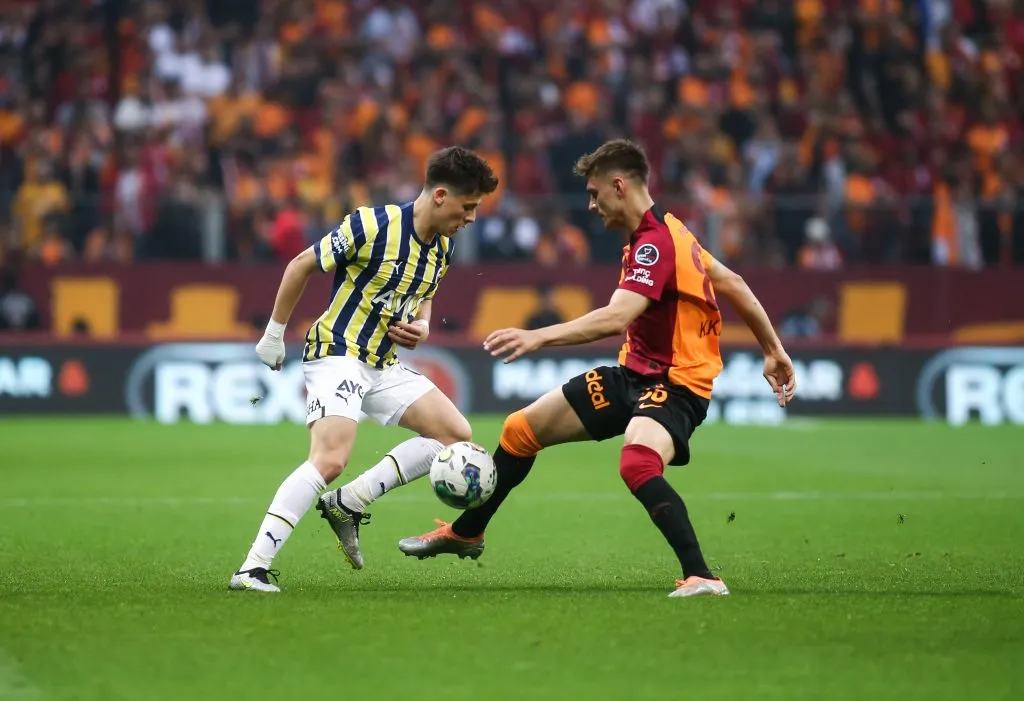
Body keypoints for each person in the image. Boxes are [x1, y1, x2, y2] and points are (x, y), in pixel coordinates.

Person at [397, 140, 797, 598]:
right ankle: (467, 532)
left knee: (637, 463)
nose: (590, 204)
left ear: (619, 186)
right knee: (519, 431)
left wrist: (538, 336)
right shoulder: (671, 232)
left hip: (677, 384)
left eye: (594, 192)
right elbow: (734, 283)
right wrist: (773, 350)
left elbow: (615, 317)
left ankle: (702, 575)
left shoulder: (656, 245)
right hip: (631, 377)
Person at [230, 146, 499, 592]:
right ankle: (252, 567)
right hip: (337, 350)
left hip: (382, 363)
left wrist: (424, 326)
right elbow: (301, 265)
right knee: (331, 458)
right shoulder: (371, 225)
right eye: (467, 206)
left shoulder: (444, 247)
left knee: (456, 435)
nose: (471, 217)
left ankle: (350, 503)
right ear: (440, 195)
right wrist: (274, 334)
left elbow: (426, 292)